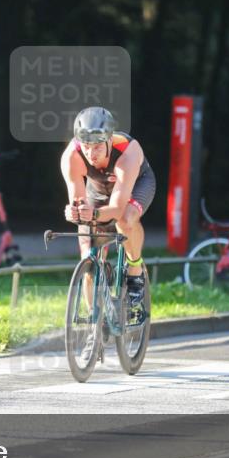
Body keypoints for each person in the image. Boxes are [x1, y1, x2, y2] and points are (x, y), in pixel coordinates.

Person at [61, 106, 156, 316]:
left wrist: (95, 215)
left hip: (136, 185)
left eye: (97, 147)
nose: (90, 154)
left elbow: (117, 209)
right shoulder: (71, 157)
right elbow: (79, 201)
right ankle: (94, 321)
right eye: (86, 147)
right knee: (88, 253)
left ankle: (135, 268)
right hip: (97, 189)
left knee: (125, 220)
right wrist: (76, 212)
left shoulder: (127, 152)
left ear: (110, 140)